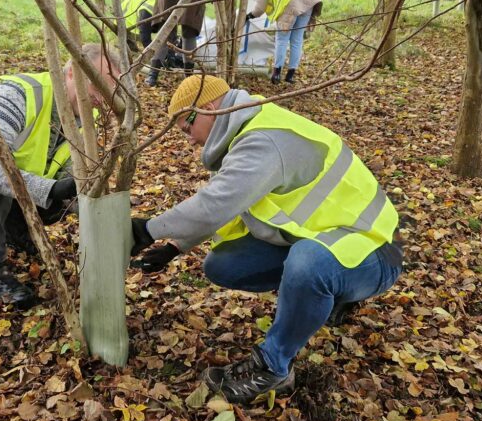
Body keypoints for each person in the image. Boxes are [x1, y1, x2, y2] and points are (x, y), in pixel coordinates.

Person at [130, 75, 404, 403]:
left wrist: (148, 230)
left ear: (207, 109)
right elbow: (228, 202)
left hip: (375, 251)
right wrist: (176, 246)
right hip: (325, 240)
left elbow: (213, 205)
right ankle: (327, 293)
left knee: (308, 266)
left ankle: (274, 367)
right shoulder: (244, 134)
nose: (190, 142)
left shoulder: (262, 141)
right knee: (223, 265)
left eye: (187, 130)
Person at [0, 44, 121, 308]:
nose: (102, 98)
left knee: (56, 201)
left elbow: (71, 178)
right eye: (98, 85)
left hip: (8, 190)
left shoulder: (84, 118)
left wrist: (109, 223)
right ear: (71, 73)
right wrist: (50, 190)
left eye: (109, 90)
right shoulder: (19, 94)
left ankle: (14, 231)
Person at [251, 0, 323, 85]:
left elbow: (260, 8)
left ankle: (276, 74)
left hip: (291, 4)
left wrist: (250, 16)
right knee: (297, 40)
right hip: (308, 0)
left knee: (282, 39)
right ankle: (290, 75)